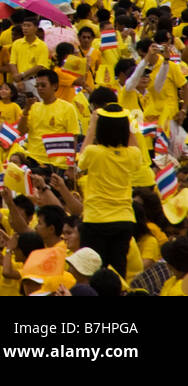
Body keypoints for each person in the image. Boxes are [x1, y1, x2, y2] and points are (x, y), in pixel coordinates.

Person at [76, 106, 143, 276]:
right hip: (124, 220)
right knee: (117, 273)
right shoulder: (132, 155)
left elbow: (80, 162)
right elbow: (136, 149)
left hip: (95, 220)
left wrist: (91, 127)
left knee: (92, 272)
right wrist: (126, 122)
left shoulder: (94, 152)